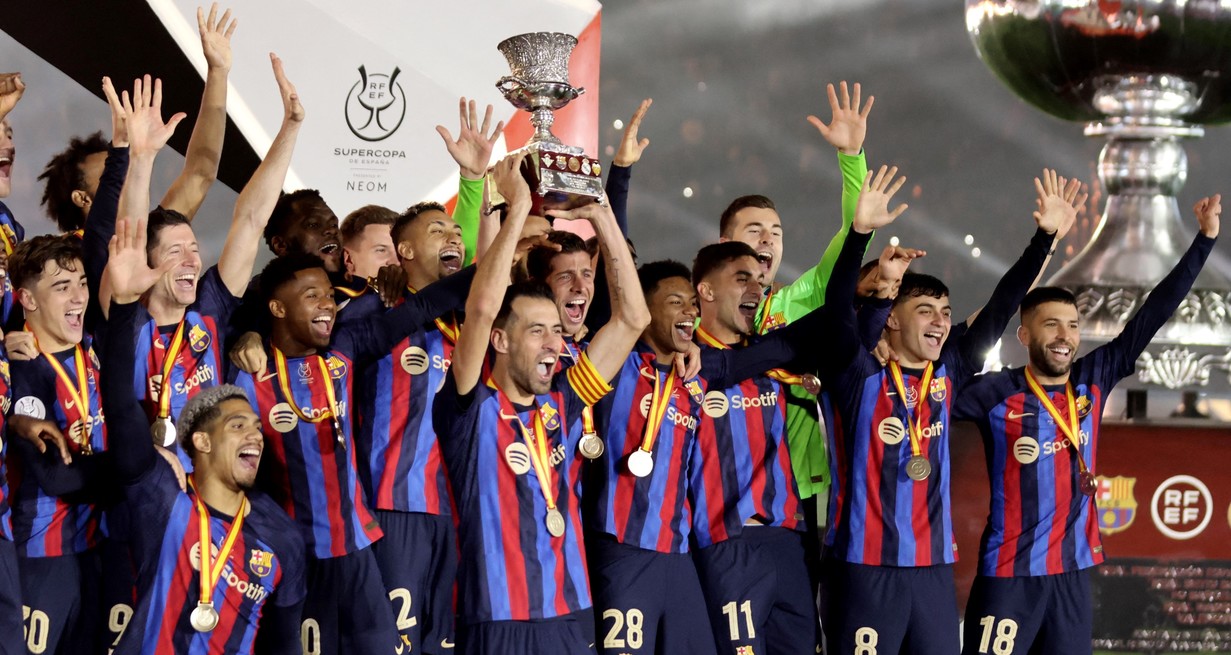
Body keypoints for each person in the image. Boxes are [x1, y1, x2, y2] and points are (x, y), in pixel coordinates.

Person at [816, 166, 1082, 654]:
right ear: (891, 320)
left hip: (934, 572)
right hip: (863, 567)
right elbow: (836, 313)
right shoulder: (855, 374)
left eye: (945, 313)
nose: (941, 323)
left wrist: (1043, 239)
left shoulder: (949, 373)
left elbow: (1001, 307)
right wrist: (859, 235)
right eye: (925, 312)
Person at [952, 195, 1220, 655]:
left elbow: (1153, 313)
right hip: (1010, 574)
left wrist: (1205, 240)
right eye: (1051, 325)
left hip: (1072, 574)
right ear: (1024, 335)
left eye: (1072, 326)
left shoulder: (1094, 378)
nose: (1065, 336)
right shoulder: (994, 392)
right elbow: (935, 387)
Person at [431, 153, 647, 653]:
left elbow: (632, 320)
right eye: (536, 331)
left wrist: (602, 216)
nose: (554, 344)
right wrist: (516, 207)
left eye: (555, 330)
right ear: (501, 341)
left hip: (572, 613)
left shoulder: (563, 403)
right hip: (497, 621)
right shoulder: (468, 410)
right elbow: (482, 308)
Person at [230, 244, 474, 651]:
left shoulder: (343, 349)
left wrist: (504, 254)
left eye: (329, 294)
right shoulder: (246, 378)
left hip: (358, 549)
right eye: (312, 296)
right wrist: (248, 331)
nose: (327, 304)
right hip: (297, 557)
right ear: (277, 308)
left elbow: (423, 305)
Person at [98, 212, 306, 654]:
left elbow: (284, 643)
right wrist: (123, 303)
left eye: (255, 427)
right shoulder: (163, 499)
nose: (254, 436)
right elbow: (118, 403)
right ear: (202, 440)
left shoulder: (280, 535)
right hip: (126, 522)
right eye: (237, 425)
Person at [99, 52, 303, 467]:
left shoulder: (208, 309)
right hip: (146, 490)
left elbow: (251, 218)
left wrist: (291, 128)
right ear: (147, 263)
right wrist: (141, 159)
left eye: (194, 249)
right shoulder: (125, 321)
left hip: (209, 486)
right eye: (175, 252)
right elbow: (131, 235)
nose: (192, 261)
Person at [718, 81, 874, 585]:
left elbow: (854, 234)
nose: (768, 239)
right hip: (722, 486)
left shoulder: (800, 300)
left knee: (797, 614)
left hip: (793, 492)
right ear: (724, 244)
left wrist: (851, 158)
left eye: (776, 233)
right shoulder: (701, 319)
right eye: (754, 230)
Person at [351, 199, 469, 654]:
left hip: (458, 513)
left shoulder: (470, 323)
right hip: (393, 505)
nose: (453, 237)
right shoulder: (374, 309)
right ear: (405, 251)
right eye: (437, 231)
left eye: (456, 231)